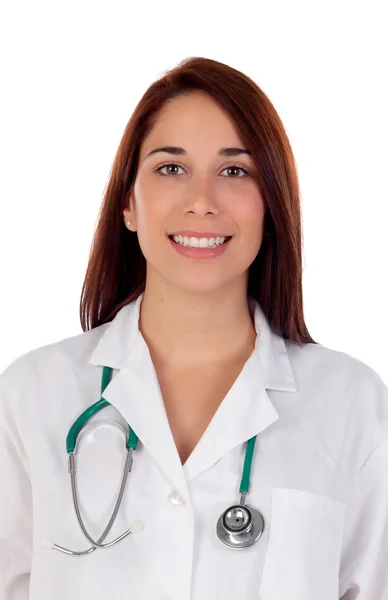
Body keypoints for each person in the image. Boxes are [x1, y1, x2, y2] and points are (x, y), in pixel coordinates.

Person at [0, 56, 387, 600]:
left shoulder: (354, 406)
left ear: (270, 207)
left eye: (235, 171)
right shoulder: (30, 395)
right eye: (170, 168)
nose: (202, 202)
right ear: (128, 205)